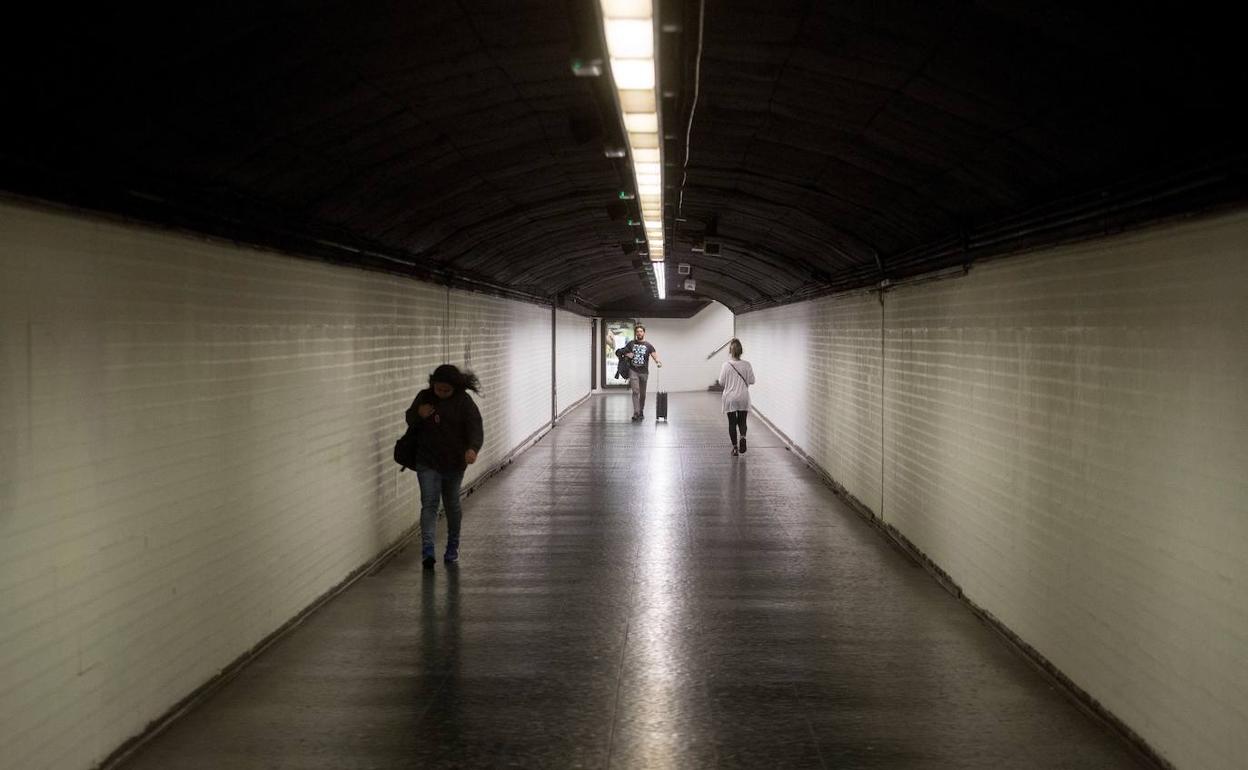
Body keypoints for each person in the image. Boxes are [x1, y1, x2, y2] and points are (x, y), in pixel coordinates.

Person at [404, 364, 484, 569]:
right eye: (438, 389)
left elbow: (475, 427)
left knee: (451, 504)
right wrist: (418, 414)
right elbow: (410, 418)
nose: (441, 393)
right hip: (427, 460)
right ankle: (428, 550)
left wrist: (472, 449)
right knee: (429, 503)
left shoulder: (463, 402)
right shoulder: (425, 397)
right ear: (433, 385)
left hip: (454, 463)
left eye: (446, 390)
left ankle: (452, 546)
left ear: (455, 388)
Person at [718, 338, 755, 456]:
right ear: (741, 351)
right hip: (743, 397)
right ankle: (743, 437)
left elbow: (721, 382)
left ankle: (735, 448)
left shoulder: (726, 365)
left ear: (730, 351)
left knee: (732, 423)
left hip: (730, 398)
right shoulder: (747, 365)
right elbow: (752, 381)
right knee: (742, 421)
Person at [621, 323, 661, 421]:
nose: (639, 333)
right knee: (635, 391)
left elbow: (654, 354)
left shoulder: (648, 345)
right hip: (633, 370)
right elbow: (622, 352)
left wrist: (658, 362)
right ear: (635, 333)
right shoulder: (631, 343)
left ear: (644, 333)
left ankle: (641, 410)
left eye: (641, 331)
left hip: (644, 372)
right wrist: (627, 354)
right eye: (637, 331)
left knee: (642, 394)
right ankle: (636, 412)